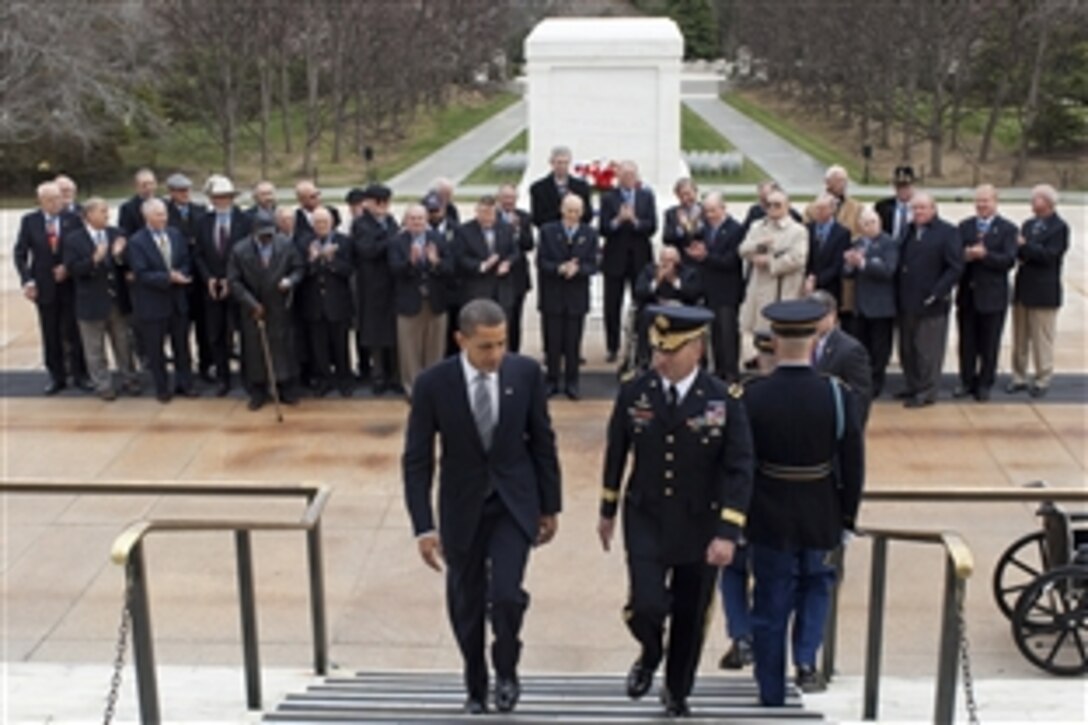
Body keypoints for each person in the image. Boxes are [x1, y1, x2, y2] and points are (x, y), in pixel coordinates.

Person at [403, 299, 562, 715]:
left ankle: (506, 669)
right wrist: (423, 526)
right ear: (461, 340)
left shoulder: (525, 374)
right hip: (462, 508)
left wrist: (550, 506)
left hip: (513, 503)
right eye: (485, 347)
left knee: (507, 595)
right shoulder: (433, 384)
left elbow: (543, 442)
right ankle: (476, 683)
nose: (495, 355)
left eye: (501, 344)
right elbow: (417, 460)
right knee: (466, 603)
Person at [599, 304, 753, 718]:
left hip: (700, 521)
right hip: (646, 514)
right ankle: (650, 652)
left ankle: (677, 691)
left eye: (671, 351)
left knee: (690, 609)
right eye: (656, 349)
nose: (660, 359)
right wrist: (607, 508)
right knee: (646, 603)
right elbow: (617, 450)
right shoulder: (636, 391)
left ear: (697, 349)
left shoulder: (722, 398)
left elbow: (739, 467)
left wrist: (728, 530)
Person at [743, 299, 864, 706]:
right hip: (821, 509)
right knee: (816, 587)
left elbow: (742, 464)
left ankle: (771, 690)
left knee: (770, 601)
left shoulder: (753, 396)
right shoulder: (835, 394)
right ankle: (807, 662)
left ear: (774, 342)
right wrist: (847, 517)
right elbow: (853, 462)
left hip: (768, 512)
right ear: (814, 340)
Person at [13, 181, 90, 394]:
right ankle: (57, 376)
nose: (57, 202)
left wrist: (68, 267)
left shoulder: (73, 219)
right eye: (52, 199)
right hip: (44, 286)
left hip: (69, 284)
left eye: (59, 198)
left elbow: (81, 248)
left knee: (74, 331)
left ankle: (80, 374)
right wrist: (28, 281)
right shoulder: (30, 221)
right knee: (50, 332)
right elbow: (20, 253)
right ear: (41, 201)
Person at [61, 198, 140, 400]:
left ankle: (129, 378)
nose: (107, 215)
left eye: (107, 210)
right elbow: (73, 269)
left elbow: (129, 264)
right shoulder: (73, 240)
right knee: (94, 348)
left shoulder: (117, 234)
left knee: (124, 343)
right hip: (91, 302)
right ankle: (103, 384)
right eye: (102, 211)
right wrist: (94, 259)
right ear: (88, 215)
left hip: (116, 300)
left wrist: (119, 256)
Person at [228, 210, 305, 411]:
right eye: (263, 235)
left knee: (283, 349)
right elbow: (234, 281)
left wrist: (289, 281)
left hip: (279, 307)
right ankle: (258, 391)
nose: (267, 239)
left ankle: (285, 388)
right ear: (254, 232)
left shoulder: (286, 245)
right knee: (255, 351)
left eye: (270, 234)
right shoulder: (239, 250)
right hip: (253, 308)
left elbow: (299, 268)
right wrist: (251, 303)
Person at [896, 192, 963, 408]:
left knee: (927, 351)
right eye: (915, 208)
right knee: (907, 349)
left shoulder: (948, 232)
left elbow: (955, 267)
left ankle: (927, 391)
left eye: (923, 208)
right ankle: (912, 385)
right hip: (907, 300)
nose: (918, 212)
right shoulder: (908, 231)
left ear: (933, 209)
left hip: (932, 302)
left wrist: (938, 292)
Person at [127, 198, 197, 402]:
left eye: (164, 214)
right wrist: (168, 278)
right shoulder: (137, 241)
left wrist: (181, 274)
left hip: (177, 301)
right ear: (147, 217)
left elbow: (185, 260)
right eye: (158, 215)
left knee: (182, 347)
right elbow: (141, 273)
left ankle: (185, 384)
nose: (163, 218)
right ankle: (162, 388)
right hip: (152, 304)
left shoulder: (175, 234)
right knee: (156, 350)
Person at [954, 185, 1017, 402]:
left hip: (993, 297)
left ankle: (985, 383)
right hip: (967, 295)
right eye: (978, 201)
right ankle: (966, 381)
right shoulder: (965, 227)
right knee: (967, 342)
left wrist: (985, 255)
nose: (981, 205)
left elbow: (1009, 260)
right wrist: (966, 255)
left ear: (995, 201)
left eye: (986, 201)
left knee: (989, 343)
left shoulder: (1008, 229)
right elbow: (953, 256)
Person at [1008, 184, 1070, 398]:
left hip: (1044, 291)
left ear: (1048, 202)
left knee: (1042, 337)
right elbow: (1020, 252)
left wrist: (1025, 246)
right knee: (1020, 337)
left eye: (1036, 199)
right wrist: (1021, 249)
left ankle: (1043, 377)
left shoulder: (1059, 227)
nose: (1032, 203)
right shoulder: (1028, 224)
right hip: (1023, 287)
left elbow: (1050, 256)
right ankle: (1018, 376)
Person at [536, 194, 599, 400]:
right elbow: (541, 262)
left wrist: (578, 269)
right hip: (552, 295)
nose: (573, 215)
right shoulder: (547, 231)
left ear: (582, 213)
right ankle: (552, 380)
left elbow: (593, 264)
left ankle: (572, 382)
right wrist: (559, 268)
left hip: (576, 297)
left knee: (573, 343)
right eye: (569, 210)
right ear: (562, 210)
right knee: (552, 342)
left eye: (577, 211)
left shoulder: (589, 233)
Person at [389, 204, 453, 396]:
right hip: (409, 304)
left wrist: (436, 262)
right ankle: (413, 389)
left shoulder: (438, 240)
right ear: (406, 221)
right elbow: (394, 271)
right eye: (413, 218)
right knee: (409, 350)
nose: (417, 222)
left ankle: (434, 387)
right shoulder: (396, 242)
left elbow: (450, 269)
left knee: (435, 348)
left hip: (435, 302)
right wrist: (411, 262)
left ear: (427, 221)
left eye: (420, 218)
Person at [194, 175, 250, 395]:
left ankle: (248, 377)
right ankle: (222, 378)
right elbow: (198, 254)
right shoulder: (203, 222)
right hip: (212, 288)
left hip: (238, 286)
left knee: (243, 333)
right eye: (217, 197)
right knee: (215, 335)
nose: (222, 201)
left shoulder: (244, 221)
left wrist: (230, 278)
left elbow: (248, 255)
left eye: (226, 197)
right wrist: (208, 278)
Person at [738, 189, 809, 361]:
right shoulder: (758, 226)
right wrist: (758, 244)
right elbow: (743, 249)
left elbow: (798, 258)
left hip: (782, 289)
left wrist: (770, 262)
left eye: (778, 205)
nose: (773, 209)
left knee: (781, 336)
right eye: (769, 205)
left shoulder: (798, 231)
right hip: (758, 288)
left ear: (787, 206)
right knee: (753, 333)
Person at [599, 161, 657, 363]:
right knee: (611, 305)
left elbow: (652, 226)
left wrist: (634, 221)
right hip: (615, 259)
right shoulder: (608, 198)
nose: (628, 178)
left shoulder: (646, 196)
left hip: (640, 259)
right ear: (618, 177)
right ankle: (612, 347)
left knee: (642, 303)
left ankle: (642, 346)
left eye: (632, 174)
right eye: (625, 175)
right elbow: (603, 228)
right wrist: (617, 220)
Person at [687, 193, 745, 380]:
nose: (709, 215)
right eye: (706, 211)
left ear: (723, 208)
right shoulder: (704, 229)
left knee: (727, 333)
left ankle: (731, 373)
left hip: (727, 290)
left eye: (713, 210)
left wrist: (706, 257)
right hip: (709, 289)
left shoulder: (736, 229)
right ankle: (719, 371)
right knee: (715, 335)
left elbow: (731, 261)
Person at [843, 208, 900, 398]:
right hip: (861, 306)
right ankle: (863, 381)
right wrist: (849, 264)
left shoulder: (889, 243)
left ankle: (877, 383)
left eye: (872, 223)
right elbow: (847, 274)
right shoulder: (858, 243)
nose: (868, 227)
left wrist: (863, 263)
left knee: (880, 349)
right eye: (865, 223)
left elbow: (888, 270)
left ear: (880, 223)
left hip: (881, 306)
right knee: (862, 347)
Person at [299, 208, 355, 397]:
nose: (321, 226)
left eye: (324, 222)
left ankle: (344, 380)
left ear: (331, 223)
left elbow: (349, 270)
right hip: (314, 304)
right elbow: (301, 272)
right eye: (317, 222)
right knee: (318, 347)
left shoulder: (344, 242)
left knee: (340, 345)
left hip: (337, 303)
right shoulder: (305, 242)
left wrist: (331, 261)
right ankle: (324, 380)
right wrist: (314, 260)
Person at [351, 183, 401, 395]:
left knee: (392, 332)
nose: (383, 207)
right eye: (378, 202)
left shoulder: (390, 221)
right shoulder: (361, 224)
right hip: (371, 285)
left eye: (385, 202)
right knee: (374, 333)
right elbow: (368, 250)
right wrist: (391, 240)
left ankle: (393, 374)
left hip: (391, 284)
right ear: (369, 202)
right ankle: (377, 375)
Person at [631, 246, 701, 369]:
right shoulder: (649, 271)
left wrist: (674, 281)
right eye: (664, 260)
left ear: (678, 261)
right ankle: (644, 360)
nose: (667, 264)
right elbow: (639, 292)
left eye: (671, 261)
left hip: (681, 312)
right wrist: (656, 282)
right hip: (655, 311)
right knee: (644, 317)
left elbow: (694, 294)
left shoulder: (689, 273)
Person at [810, 290, 873, 426]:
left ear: (832, 315)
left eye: (818, 317)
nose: (813, 322)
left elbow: (860, 397)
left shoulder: (850, 350)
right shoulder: (803, 344)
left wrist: (853, 431)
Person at [457, 196, 519, 322]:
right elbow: (460, 258)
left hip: (502, 290)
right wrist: (482, 266)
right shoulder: (464, 231)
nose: (488, 217)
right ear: (477, 212)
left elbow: (514, 251)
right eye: (484, 213)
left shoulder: (506, 228)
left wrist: (507, 263)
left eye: (491, 213)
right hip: (477, 291)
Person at [496, 184, 535, 354]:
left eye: (511, 198)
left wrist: (518, 230)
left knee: (515, 319)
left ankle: (514, 354)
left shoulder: (524, 217)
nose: (508, 201)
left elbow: (529, 245)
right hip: (497, 275)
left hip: (518, 276)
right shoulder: (492, 217)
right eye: (505, 198)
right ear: (499, 198)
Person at [803, 194, 852, 311]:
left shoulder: (842, 233)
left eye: (822, 209)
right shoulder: (807, 229)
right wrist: (808, 278)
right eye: (816, 208)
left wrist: (816, 281)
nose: (818, 212)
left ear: (832, 210)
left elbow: (838, 264)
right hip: (807, 286)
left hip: (830, 288)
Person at [529, 145, 593, 230]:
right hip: (550, 235)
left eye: (565, 162)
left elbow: (588, 215)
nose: (562, 166)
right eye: (559, 162)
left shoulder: (581, 187)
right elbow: (537, 218)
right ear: (551, 163)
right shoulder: (538, 188)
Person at [807, 165, 863, 238]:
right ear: (827, 182)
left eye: (845, 181)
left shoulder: (856, 208)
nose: (843, 184)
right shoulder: (812, 208)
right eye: (839, 180)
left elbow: (861, 234)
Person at [662, 177, 703, 251]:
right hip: (681, 256)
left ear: (695, 192)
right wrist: (680, 229)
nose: (685, 198)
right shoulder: (671, 213)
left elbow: (705, 235)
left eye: (688, 194)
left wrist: (687, 225)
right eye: (681, 196)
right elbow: (666, 239)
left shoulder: (706, 210)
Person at [874, 166, 915, 241]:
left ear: (913, 186)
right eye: (899, 187)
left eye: (906, 186)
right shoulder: (882, 207)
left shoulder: (920, 207)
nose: (902, 190)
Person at [118, 168, 159, 238]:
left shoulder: (165, 203)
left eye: (151, 183)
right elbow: (126, 234)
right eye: (144, 185)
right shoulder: (128, 209)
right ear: (137, 186)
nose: (149, 187)